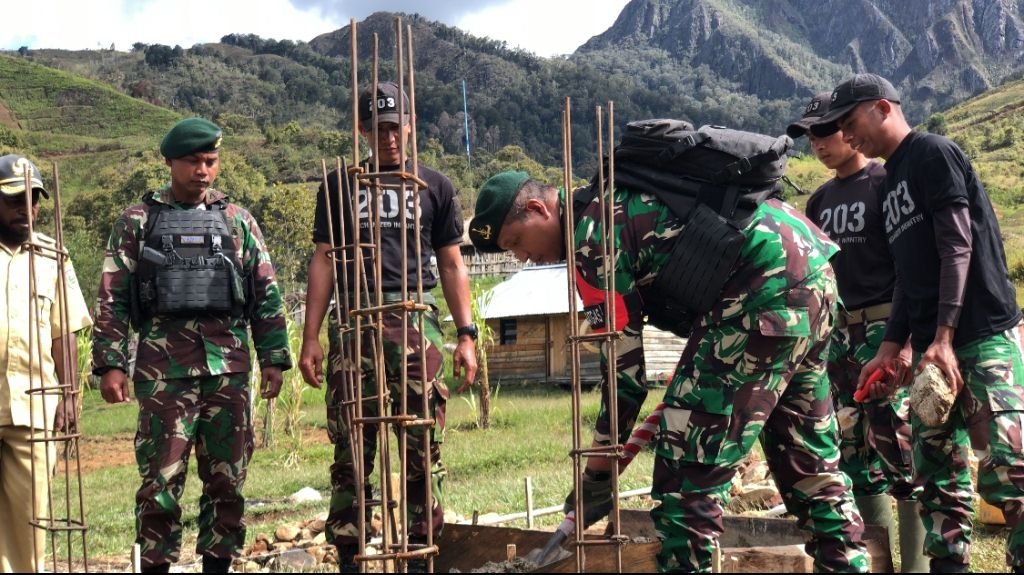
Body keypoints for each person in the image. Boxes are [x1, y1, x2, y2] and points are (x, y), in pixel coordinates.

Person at [471, 169, 868, 572]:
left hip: (759, 294)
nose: (522, 257)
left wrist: (595, 477)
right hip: (812, 276)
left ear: (539, 208)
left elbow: (624, 378)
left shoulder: (590, 239)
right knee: (810, 466)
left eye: (517, 242)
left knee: (687, 477)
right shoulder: (617, 199)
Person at [813, 72, 1024, 573]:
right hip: (932, 348)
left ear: (883, 108)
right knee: (937, 477)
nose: (845, 135)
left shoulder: (932, 153)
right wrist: (892, 345)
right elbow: (907, 274)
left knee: (1008, 470)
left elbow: (957, 245)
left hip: (980, 336)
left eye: (851, 121)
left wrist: (945, 338)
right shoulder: (890, 184)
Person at [91, 118, 292, 574]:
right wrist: (110, 364)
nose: (203, 171)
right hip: (164, 375)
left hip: (229, 371)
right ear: (170, 162)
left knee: (228, 483)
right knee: (160, 484)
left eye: (211, 161)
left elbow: (266, 292)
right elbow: (113, 296)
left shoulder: (237, 221)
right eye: (193, 162)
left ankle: (218, 566)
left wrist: (274, 359)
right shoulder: (138, 222)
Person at [298, 81, 477, 572]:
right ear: (361, 130)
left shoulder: (434, 186)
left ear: (410, 125)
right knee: (353, 447)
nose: (389, 138)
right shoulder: (339, 187)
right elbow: (324, 262)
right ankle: (351, 558)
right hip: (355, 324)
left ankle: (421, 556)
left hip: (417, 324)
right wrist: (311, 335)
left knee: (423, 445)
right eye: (378, 129)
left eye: (396, 127)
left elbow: (452, 265)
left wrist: (467, 335)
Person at [788, 93, 927, 572]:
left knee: (904, 454)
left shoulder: (886, 182)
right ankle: (878, 562)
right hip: (837, 337)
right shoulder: (819, 200)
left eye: (827, 131)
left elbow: (912, 265)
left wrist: (906, 342)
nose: (821, 144)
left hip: (886, 329)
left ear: (848, 130)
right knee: (852, 458)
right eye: (811, 137)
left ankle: (917, 566)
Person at [0, 154, 92, 573]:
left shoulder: (54, 258)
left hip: (33, 408)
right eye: (15, 199)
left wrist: (69, 396)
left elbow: (64, 331)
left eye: (34, 199)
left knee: (30, 522)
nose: (28, 209)